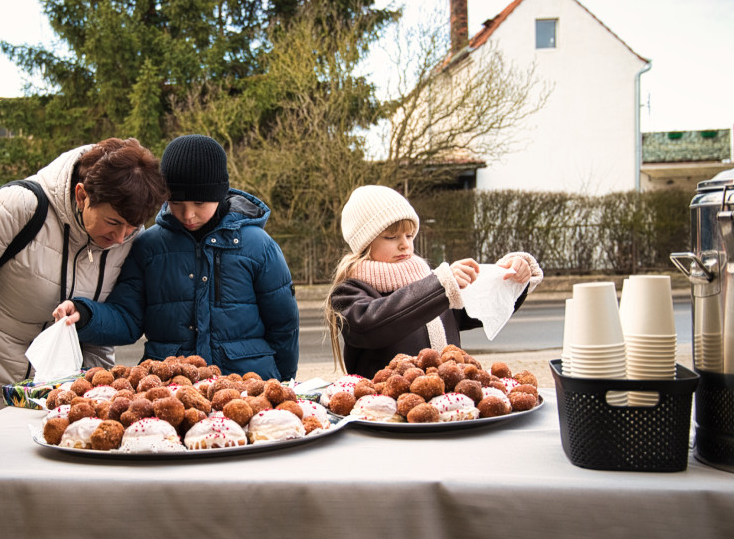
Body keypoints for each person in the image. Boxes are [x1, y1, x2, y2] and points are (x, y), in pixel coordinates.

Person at [0, 138, 169, 429]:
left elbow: (102, 317)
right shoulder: (14, 208)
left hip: (63, 402)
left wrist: (93, 386)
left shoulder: (127, 237)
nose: (121, 237)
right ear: (81, 195)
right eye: (112, 222)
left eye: (132, 227)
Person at [53, 134, 299, 381]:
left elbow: (284, 325)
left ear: (219, 193)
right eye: (176, 202)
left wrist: (284, 381)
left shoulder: (259, 246)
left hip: (249, 384)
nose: (188, 214)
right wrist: (85, 314)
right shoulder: (148, 247)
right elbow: (127, 318)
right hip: (170, 388)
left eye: (199, 203)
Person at [324, 185, 542, 378]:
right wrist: (440, 287)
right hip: (384, 412)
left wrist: (511, 276)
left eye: (409, 236)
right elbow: (371, 325)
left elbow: (481, 305)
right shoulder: (348, 293)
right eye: (392, 237)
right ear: (364, 243)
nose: (404, 245)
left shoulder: (431, 281)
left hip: (444, 407)